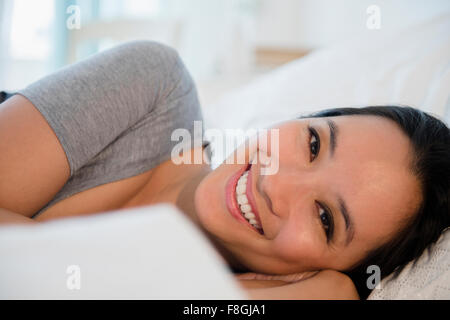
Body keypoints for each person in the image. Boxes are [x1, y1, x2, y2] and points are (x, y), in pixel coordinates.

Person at [0, 41, 448, 299]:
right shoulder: (155, 86)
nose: (277, 183)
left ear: (311, 273)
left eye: (325, 218)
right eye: (313, 142)